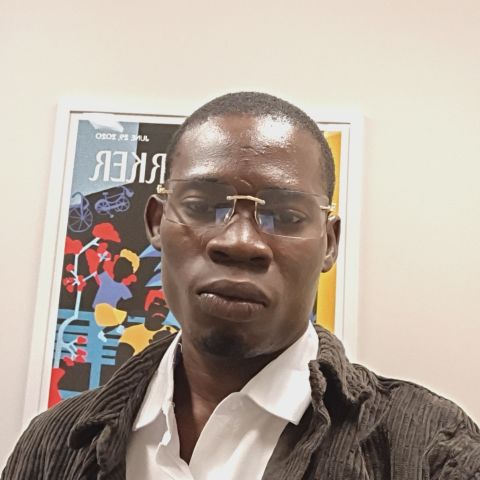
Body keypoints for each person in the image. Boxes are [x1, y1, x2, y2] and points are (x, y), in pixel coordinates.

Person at [2, 92, 479, 479]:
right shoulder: (53, 444)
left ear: (329, 244)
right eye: (202, 206)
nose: (239, 242)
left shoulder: (430, 449)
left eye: (285, 215)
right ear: (156, 222)